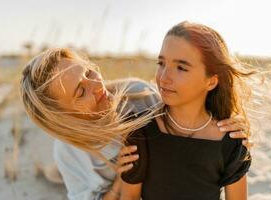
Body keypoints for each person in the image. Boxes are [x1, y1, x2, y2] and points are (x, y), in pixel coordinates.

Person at [20, 47, 251, 200]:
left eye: (89, 73)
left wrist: (228, 121)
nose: (97, 86)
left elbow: (190, 117)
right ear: (64, 117)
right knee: (57, 177)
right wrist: (122, 179)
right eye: (81, 91)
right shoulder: (69, 151)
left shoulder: (139, 95)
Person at [119, 21, 267, 200]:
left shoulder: (231, 140)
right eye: (161, 63)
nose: (163, 77)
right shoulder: (140, 132)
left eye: (181, 67)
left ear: (211, 81)